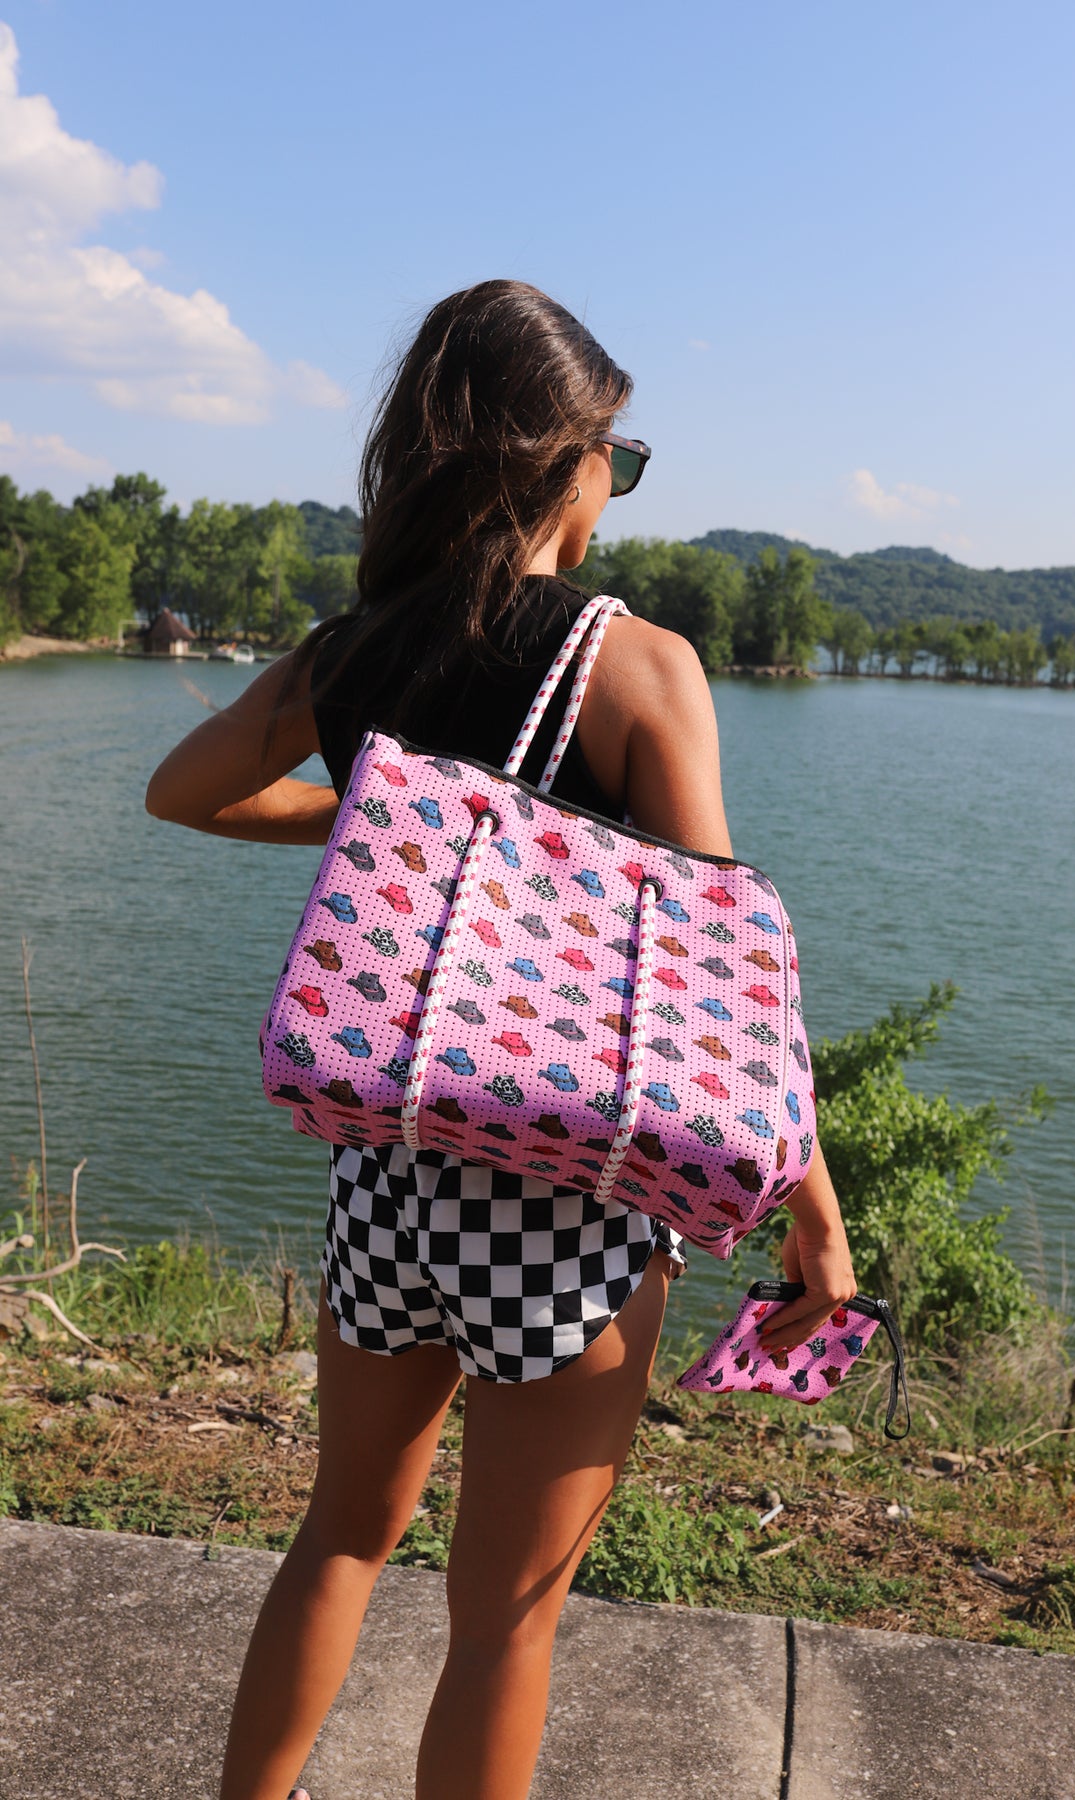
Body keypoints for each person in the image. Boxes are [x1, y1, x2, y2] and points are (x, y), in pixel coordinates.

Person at [145, 278, 856, 1800]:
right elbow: (734, 996)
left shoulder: (357, 650)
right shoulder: (637, 666)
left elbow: (184, 790)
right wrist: (816, 1222)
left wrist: (380, 832)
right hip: (568, 1222)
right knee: (505, 1624)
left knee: (339, 1535)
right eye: (623, 454)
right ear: (563, 460)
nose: (621, 484)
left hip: (386, 1187)